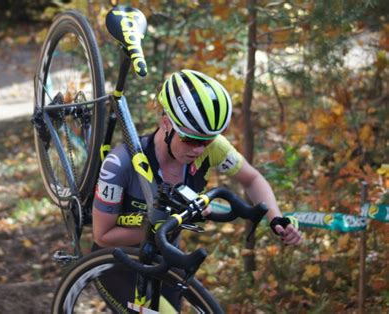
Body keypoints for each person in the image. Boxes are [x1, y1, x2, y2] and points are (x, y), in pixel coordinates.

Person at [91, 69, 302, 312]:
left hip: (164, 258)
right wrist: (173, 222)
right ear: (166, 123)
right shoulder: (120, 164)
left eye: (208, 141)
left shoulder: (210, 147)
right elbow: (102, 236)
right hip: (116, 262)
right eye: (191, 140)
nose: (199, 150)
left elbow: (252, 179)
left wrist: (275, 217)